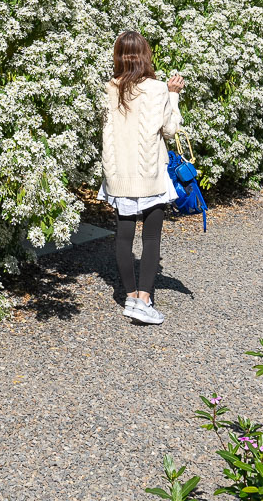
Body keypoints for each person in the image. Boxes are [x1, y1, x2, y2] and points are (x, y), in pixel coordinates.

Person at [99, 30, 185, 325]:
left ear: (119, 56)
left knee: (123, 237)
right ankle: (144, 300)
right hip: (150, 174)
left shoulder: (110, 87)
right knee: (151, 238)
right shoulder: (158, 88)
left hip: (118, 174)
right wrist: (174, 96)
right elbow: (171, 130)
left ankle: (130, 295)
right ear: (145, 55)